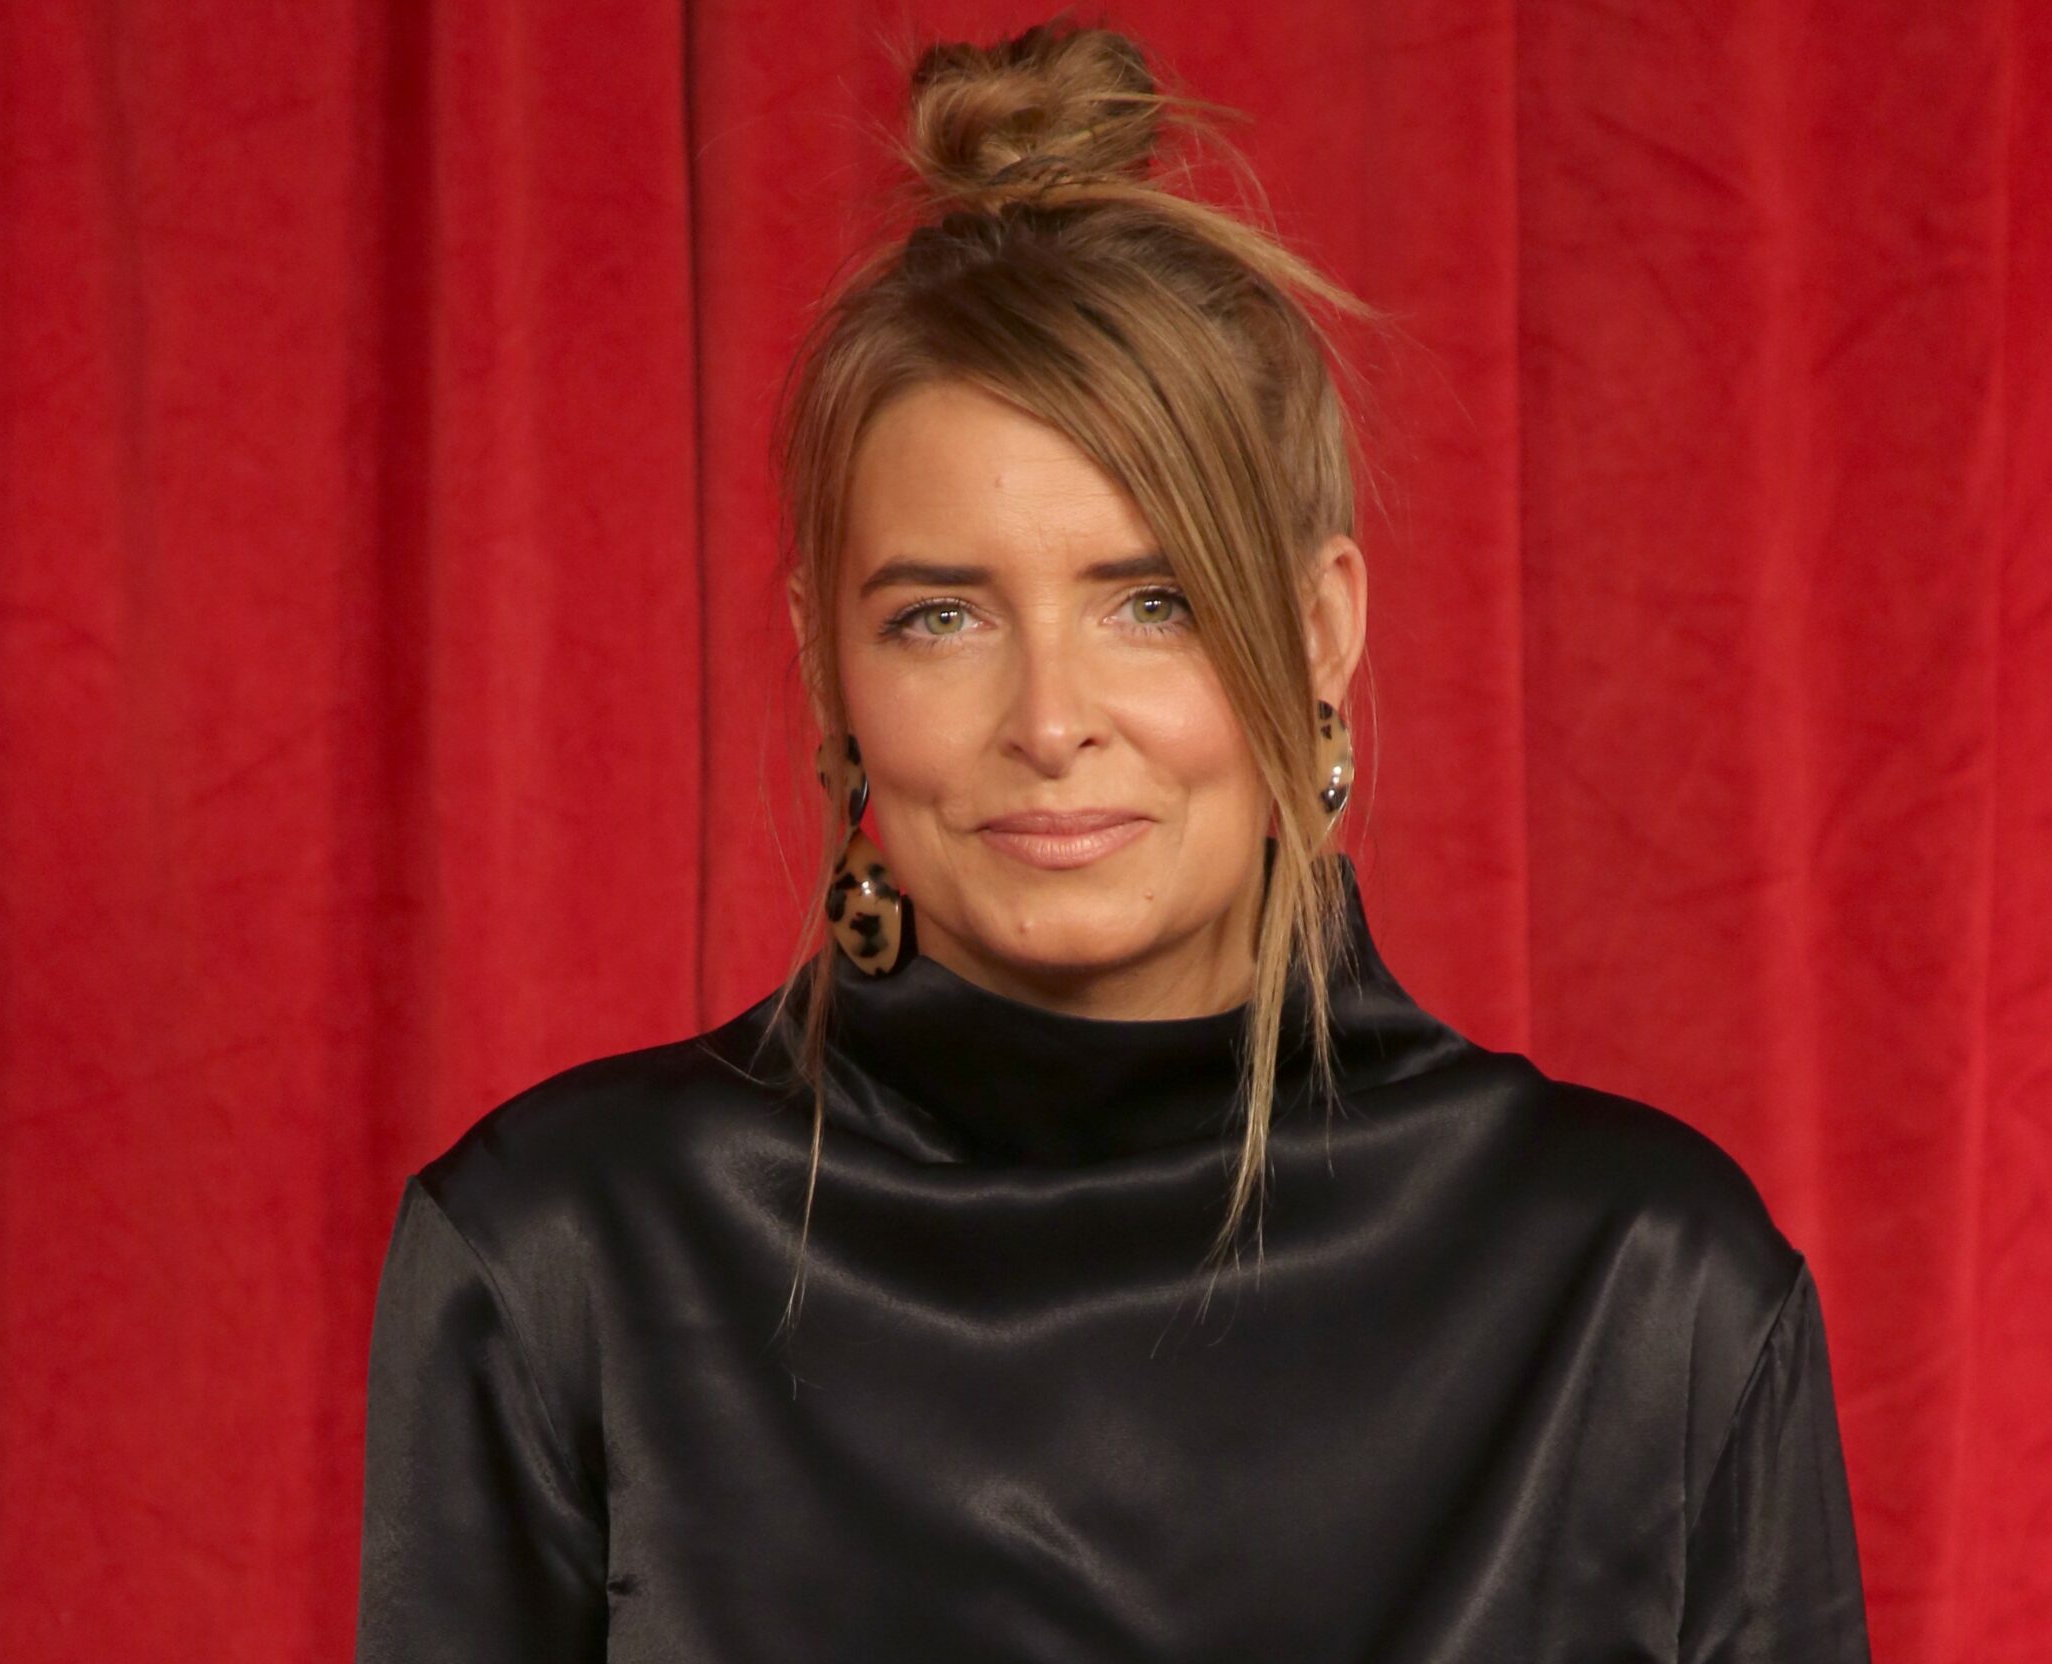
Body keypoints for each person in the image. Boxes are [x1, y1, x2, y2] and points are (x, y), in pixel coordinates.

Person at [353, 19, 1873, 1662]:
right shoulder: (565, 1255)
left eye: (1153, 603)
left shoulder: (1647, 1288)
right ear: (826, 663)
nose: (1052, 720)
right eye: (942, 617)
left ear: (1318, 629)